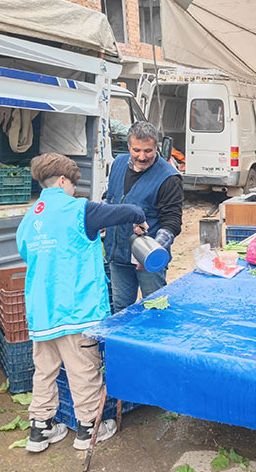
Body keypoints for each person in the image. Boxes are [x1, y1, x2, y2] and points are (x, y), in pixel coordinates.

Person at [16, 153, 147, 453]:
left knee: (44, 371)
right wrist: (139, 217)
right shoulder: (79, 209)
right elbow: (125, 211)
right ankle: (88, 429)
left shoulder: (30, 217)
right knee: (83, 370)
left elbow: (28, 253)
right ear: (63, 181)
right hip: (76, 311)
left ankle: (40, 430)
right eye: (74, 184)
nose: (75, 189)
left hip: (42, 311)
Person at [105, 121, 183, 313]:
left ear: (156, 146)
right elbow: (110, 198)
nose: (142, 156)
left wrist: (152, 251)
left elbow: (172, 221)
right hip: (118, 255)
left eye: (148, 151)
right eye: (137, 150)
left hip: (148, 259)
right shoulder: (118, 164)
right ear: (129, 146)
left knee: (154, 308)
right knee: (121, 308)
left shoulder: (169, 177)